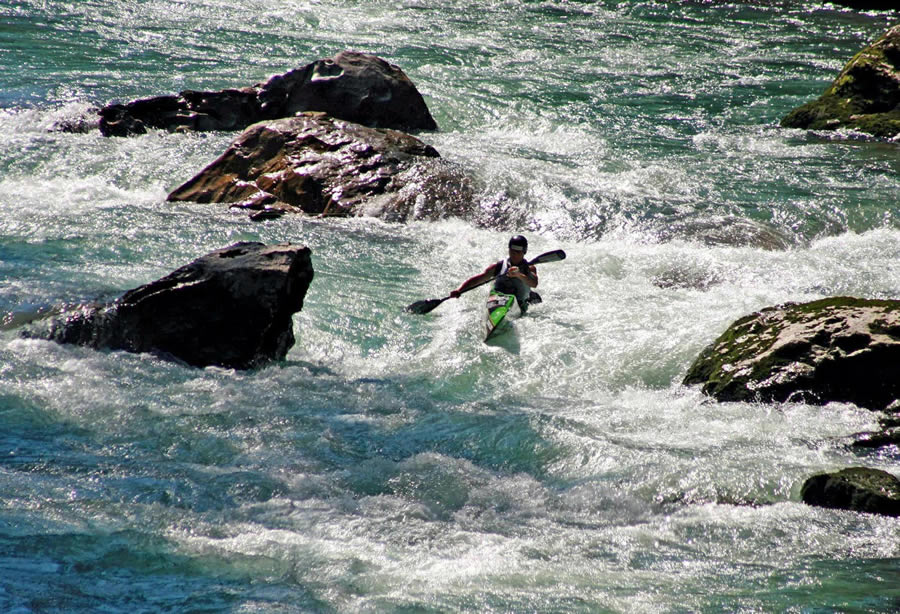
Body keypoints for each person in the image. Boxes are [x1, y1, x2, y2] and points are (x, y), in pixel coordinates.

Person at [449, 235, 540, 312]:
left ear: (524, 252)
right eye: (512, 250)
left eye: (518, 251)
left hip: (520, 303)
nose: (514, 254)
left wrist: (518, 275)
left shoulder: (530, 268)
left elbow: (534, 283)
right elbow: (479, 279)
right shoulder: (498, 266)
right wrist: (459, 290)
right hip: (498, 300)